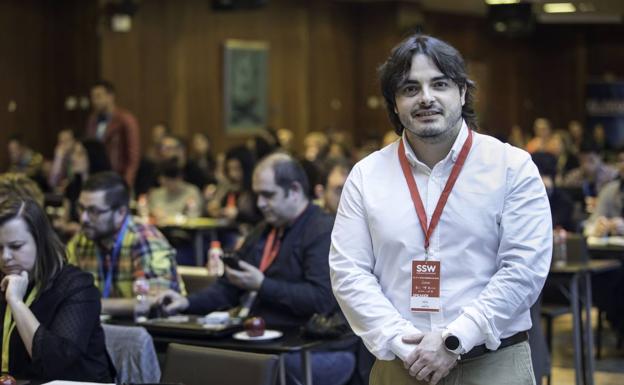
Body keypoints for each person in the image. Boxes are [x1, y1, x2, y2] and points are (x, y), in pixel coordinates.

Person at [329, 34, 552, 385]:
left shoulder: (511, 166)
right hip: (401, 364)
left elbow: (523, 270)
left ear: (462, 93)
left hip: (493, 364)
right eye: (410, 88)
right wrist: (403, 342)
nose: (426, 98)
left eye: (440, 84)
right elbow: (349, 272)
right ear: (394, 102)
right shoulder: (366, 175)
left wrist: (454, 340)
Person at [158, 153, 355, 385]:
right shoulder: (263, 230)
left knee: (240, 365)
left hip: (314, 345)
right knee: (186, 354)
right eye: (258, 194)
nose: (260, 203)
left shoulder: (322, 230)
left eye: (268, 195)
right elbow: (227, 288)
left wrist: (261, 285)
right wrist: (186, 303)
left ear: (294, 190)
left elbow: (320, 300)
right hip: (265, 338)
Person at [0, 197, 114, 382]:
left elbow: (54, 365)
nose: (5, 257)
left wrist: (16, 302)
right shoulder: (2, 278)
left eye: (16, 246)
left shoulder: (77, 286)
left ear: (40, 242)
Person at [66, 171, 184, 316]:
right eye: (81, 208)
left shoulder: (145, 239)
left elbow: (154, 301)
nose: (83, 218)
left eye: (94, 211)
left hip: (150, 333)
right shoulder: (81, 240)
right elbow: (64, 295)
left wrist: (90, 305)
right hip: (101, 330)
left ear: (121, 212)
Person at [85, 80, 140, 187]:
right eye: (93, 97)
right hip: (96, 177)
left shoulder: (126, 120)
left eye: (99, 96)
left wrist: (126, 182)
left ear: (110, 96)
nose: (95, 101)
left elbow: (133, 156)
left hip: (117, 176)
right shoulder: (92, 120)